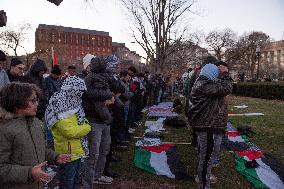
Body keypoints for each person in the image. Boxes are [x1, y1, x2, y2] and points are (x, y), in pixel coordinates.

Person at [0, 82, 70, 189]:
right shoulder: (4, 128)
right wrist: (29, 173)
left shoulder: (37, 124)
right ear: (17, 101)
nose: (37, 104)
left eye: (37, 100)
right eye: (33, 100)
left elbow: (40, 149)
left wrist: (55, 157)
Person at [188, 63, 232, 189]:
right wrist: (225, 74)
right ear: (211, 73)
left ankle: (204, 181)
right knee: (206, 157)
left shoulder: (202, 83)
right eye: (216, 73)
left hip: (205, 124)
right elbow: (226, 88)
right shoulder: (205, 84)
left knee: (205, 155)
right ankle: (203, 185)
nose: (217, 75)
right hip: (205, 125)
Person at [45, 76, 91, 189]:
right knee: (67, 182)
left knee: (75, 179)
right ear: (71, 90)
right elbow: (69, 132)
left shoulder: (74, 104)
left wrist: (84, 126)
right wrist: (87, 128)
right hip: (67, 152)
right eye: (78, 91)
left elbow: (82, 121)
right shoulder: (60, 105)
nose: (80, 94)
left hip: (76, 150)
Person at [82, 57, 115, 188]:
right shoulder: (88, 79)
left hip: (104, 119)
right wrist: (108, 96)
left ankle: (97, 176)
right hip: (93, 121)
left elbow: (109, 90)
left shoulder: (102, 77)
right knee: (92, 156)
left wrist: (109, 96)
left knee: (104, 150)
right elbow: (91, 94)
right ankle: (87, 184)